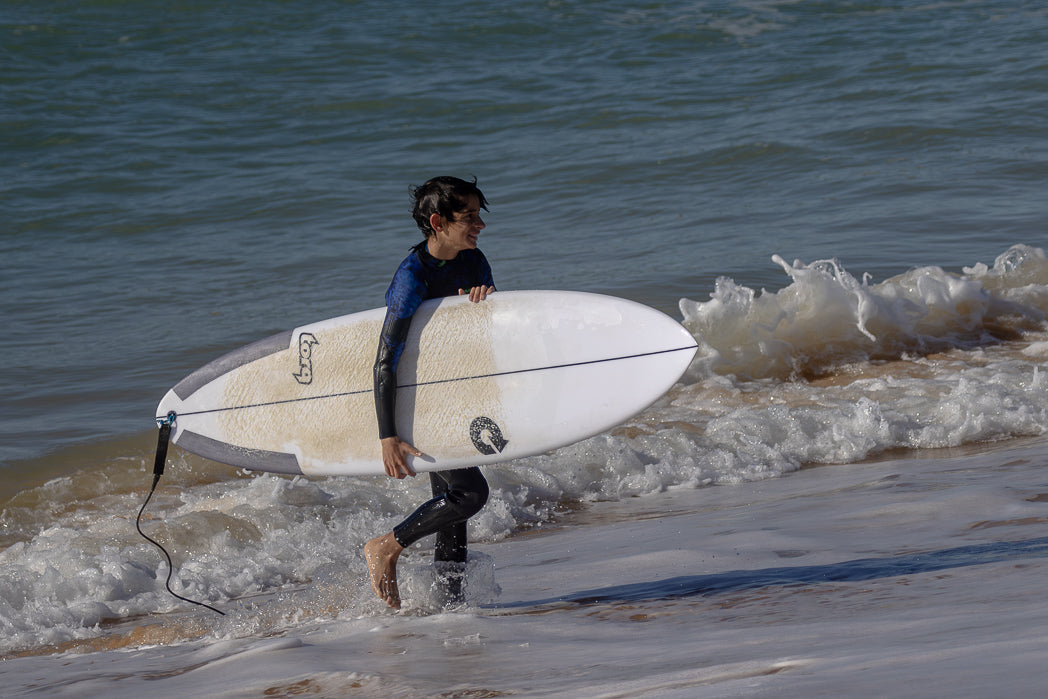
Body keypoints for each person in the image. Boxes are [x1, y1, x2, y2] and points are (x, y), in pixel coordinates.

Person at [364, 176, 496, 610]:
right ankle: (387, 545)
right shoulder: (412, 277)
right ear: (438, 222)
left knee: (451, 513)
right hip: (417, 400)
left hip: (456, 393)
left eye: (479, 215)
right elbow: (386, 360)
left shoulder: (475, 262)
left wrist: (485, 304)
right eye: (469, 217)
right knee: (469, 495)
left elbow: (486, 337)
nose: (479, 225)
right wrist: (388, 434)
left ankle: (448, 607)